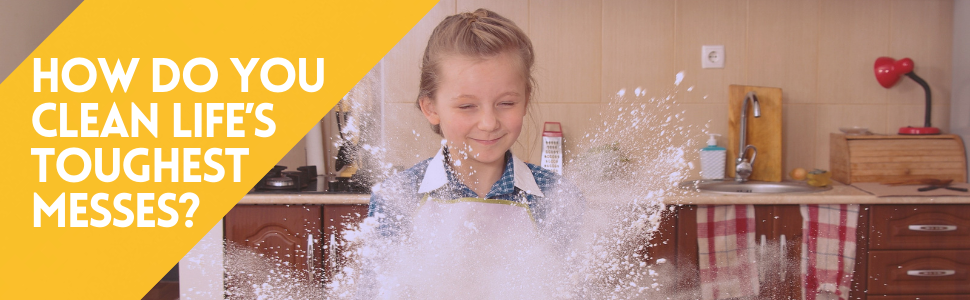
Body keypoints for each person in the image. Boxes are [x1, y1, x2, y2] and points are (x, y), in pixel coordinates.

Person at [368, 8, 583, 246]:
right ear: (431, 108)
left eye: (506, 103)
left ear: (525, 100)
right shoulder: (396, 198)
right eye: (467, 106)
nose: (489, 123)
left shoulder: (559, 198)